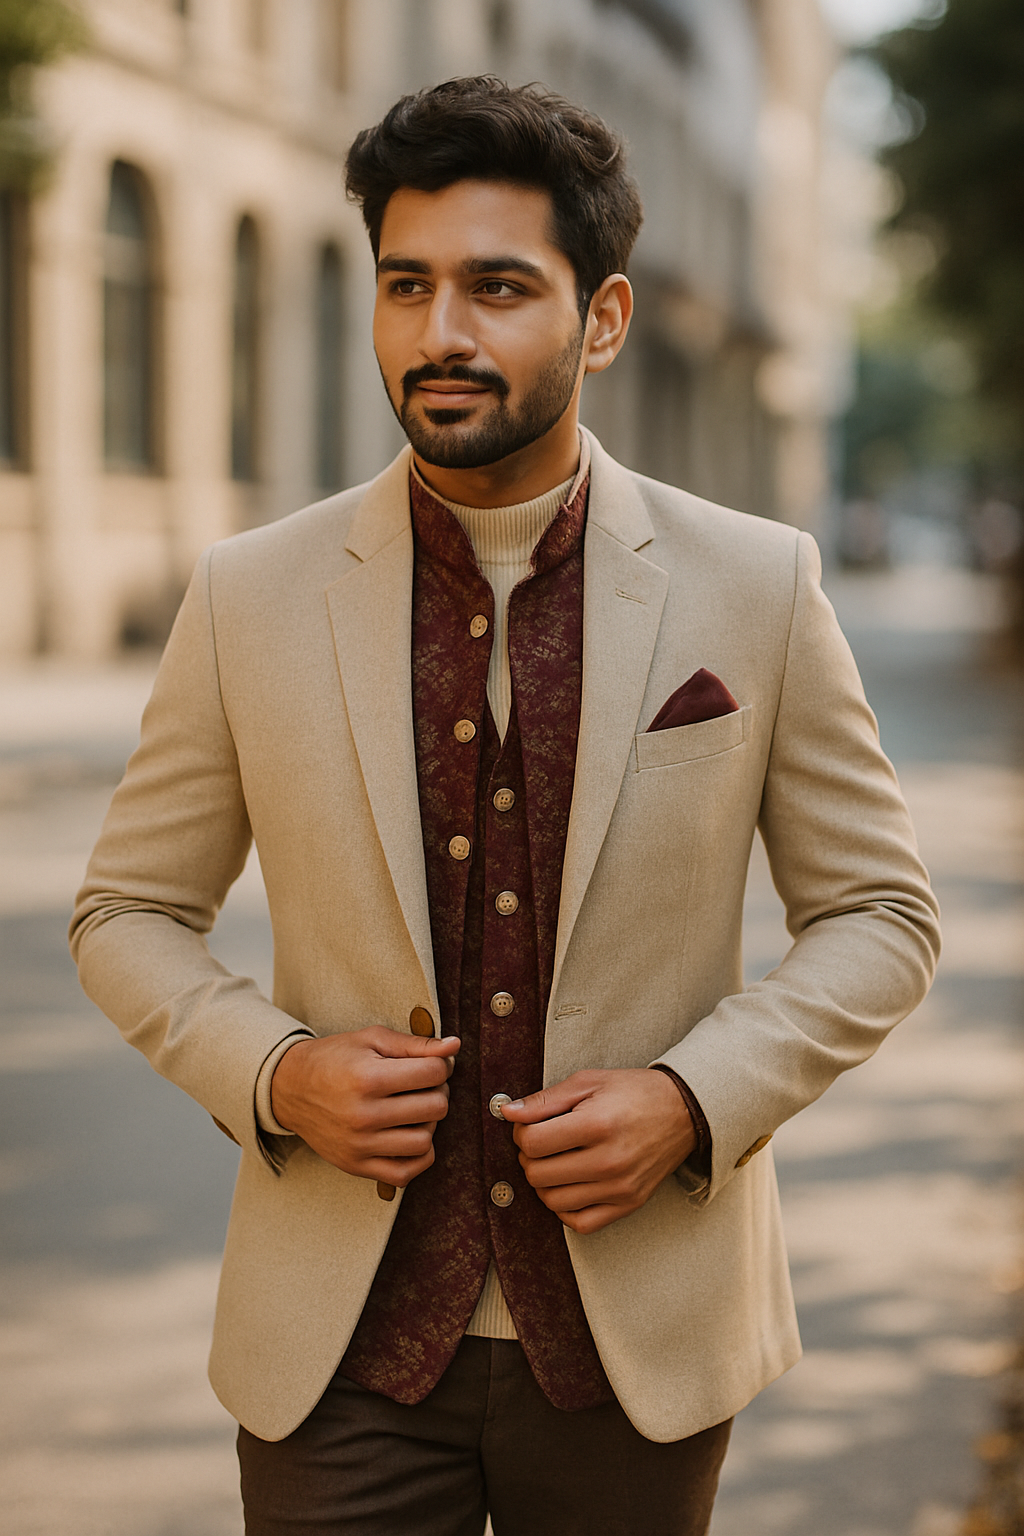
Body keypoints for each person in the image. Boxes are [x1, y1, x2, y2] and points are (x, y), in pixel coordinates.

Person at [70, 77, 940, 1536]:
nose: (441, 334)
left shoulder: (756, 583)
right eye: (405, 286)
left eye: (496, 288)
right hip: (336, 1349)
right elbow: (125, 913)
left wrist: (691, 1098)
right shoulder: (248, 596)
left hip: (633, 1342)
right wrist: (277, 1072)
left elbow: (881, 915)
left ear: (600, 319)